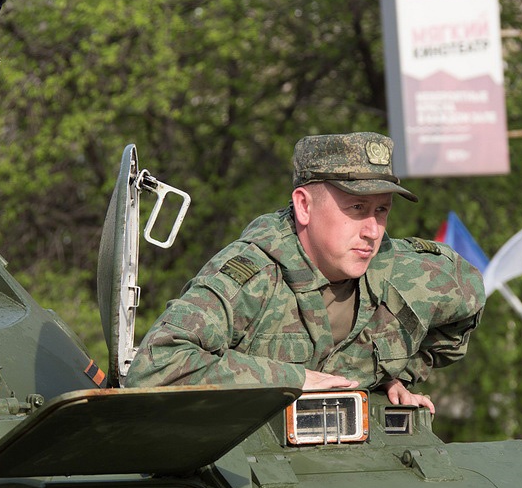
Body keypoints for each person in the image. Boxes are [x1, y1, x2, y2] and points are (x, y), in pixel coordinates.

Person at [125, 132, 485, 413]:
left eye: (381, 210)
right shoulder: (253, 275)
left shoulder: (405, 271)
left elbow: (469, 296)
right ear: (304, 206)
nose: (373, 230)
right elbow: (156, 366)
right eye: (357, 208)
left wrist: (396, 376)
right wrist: (291, 379)